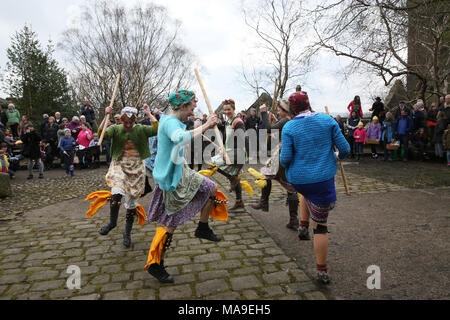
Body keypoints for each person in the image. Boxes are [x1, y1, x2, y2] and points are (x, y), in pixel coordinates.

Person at [145, 90, 224, 283]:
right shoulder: (170, 122)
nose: (193, 108)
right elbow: (179, 138)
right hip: (171, 178)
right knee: (169, 224)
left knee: (211, 189)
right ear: (182, 106)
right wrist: (206, 125)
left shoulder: (169, 119)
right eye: (191, 106)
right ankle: (156, 264)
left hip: (182, 171)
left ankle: (203, 227)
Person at [280, 91, 350, 284]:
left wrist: (293, 166)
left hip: (299, 180)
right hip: (322, 180)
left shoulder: (289, 127)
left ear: (292, 109)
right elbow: (345, 149)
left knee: (306, 192)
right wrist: (336, 158)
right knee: (320, 227)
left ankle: (303, 225)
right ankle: (322, 270)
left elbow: (285, 158)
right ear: (309, 104)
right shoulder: (328, 121)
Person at [95, 104, 158, 248]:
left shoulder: (141, 129)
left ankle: (127, 233)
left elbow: (156, 129)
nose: (128, 125)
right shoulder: (116, 129)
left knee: (131, 204)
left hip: (136, 168)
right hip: (119, 165)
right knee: (116, 192)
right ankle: (112, 222)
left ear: (135, 121)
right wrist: (106, 116)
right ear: (121, 120)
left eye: (131, 122)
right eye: (125, 122)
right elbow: (101, 134)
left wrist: (148, 113)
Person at [253, 100, 300, 230]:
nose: (278, 112)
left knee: (265, 174)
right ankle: (294, 220)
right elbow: (277, 129)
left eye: (279, 110)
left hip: (282, 154)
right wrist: (275, 120)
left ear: (285, 111)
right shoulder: (292, 120)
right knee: (290, 186)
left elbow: (269, 130)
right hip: (291, 155)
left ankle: (264, 202)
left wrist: (263, 113)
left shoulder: (285, 121)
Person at [210, 99, 247, 211]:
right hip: (229, 151)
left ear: (234, 109)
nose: (226, 112)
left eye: (229, 109)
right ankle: (239, 201)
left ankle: (232, 178)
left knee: (213, 163)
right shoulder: (229, 121)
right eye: (225, 110)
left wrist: (228, 152)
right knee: (236, 177)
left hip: (237, 153)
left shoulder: (238, 121)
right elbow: (225, 131)